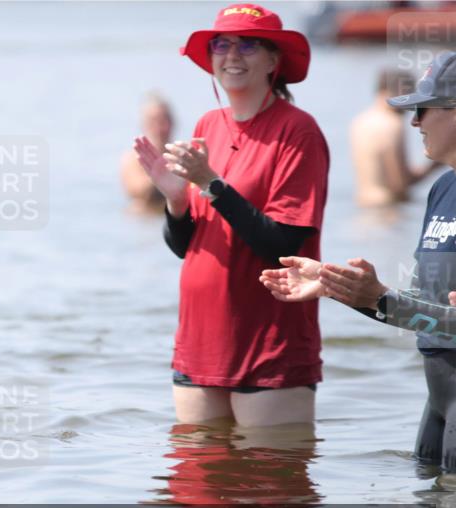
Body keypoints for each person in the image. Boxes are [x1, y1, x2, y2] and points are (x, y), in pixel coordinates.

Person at [133, 3, 329, 427]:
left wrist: (211, 184)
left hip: (269, 343)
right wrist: (175, 199)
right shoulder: (209, 124)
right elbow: (187, 247)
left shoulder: (298, 131)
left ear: (274, 60)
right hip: (199, 341)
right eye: (222, 44)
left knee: (270, 486)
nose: (232, 55)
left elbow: (281, 245)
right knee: (197, 483)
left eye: (248, 45)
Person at [261, 51, 456, 468]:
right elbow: (425, 314)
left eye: (422, 109)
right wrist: (346, 291)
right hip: (439, 400)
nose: (414, 122)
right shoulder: (442, 190)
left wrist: (379, 296)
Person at [351, 68, 440, 207]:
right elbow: (400, 185)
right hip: (389, 210)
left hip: (363, 208)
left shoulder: (360, 121)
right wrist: (435, 165)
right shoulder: (393, 125)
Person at [120, 93, 175, 214]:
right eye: (153, 121)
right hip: (145, 220)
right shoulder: (133, 159)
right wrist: (163, 173)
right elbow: (138, 191)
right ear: (144, 124)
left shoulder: (183, 156)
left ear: (172, 123)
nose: (159, 127)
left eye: (164, 120)